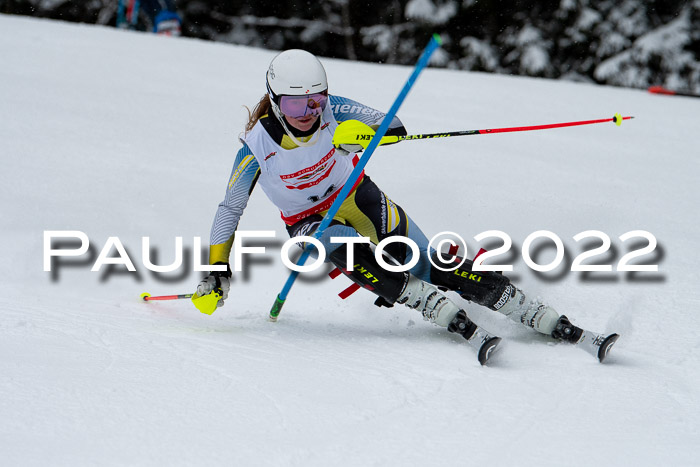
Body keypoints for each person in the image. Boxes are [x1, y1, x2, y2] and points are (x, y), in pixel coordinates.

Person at [194, 49, 615, 364]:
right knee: (347, 250)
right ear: (275, 99)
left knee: (423, 260)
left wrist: (360, 133)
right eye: (294, 104)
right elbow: (228, 211)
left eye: (316, 100)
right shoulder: (256, 148)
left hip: (357, 193)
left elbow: (392, 125)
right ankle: (432, 306)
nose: (308, 112)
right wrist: (216, 270)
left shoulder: (332, 110)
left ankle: (528, 308)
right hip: (309, 223)